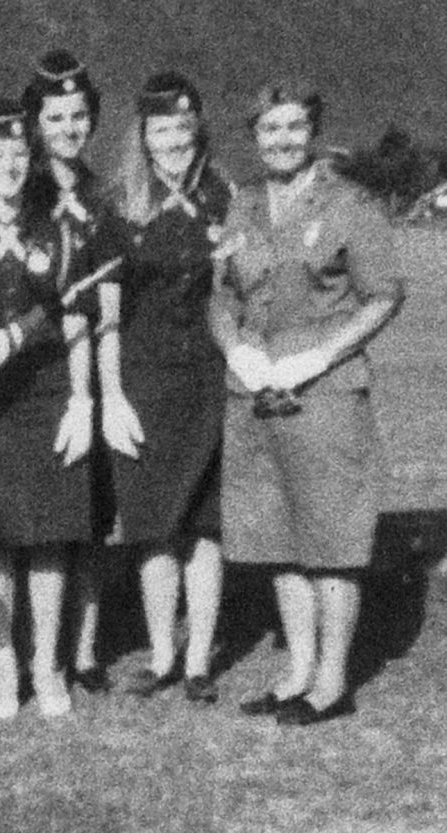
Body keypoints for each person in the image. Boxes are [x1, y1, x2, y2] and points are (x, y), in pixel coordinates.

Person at [209, 80, 404, 724]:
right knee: (275, 536)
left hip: (323, 390)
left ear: (313, 131)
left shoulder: (350, 204)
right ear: (254, 136)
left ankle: (330, 681)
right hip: (255, 388)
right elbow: (221, 297)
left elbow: (383, 295)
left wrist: (320, 357)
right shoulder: (241, 206)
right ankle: (295, 671)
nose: (283, 140)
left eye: (294, 127)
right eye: (269, 129)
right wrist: (236, 350)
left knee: (330, 536)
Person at [0, 99, 96, 718]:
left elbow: (78, 321)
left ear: (30, 159)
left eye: (17, 153)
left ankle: (48, 663)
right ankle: (4, 662)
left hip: (49, 394)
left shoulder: (57, 228)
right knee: (0, 540)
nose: (7, 165)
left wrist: (83, 399)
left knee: (51, 538)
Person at [110, 72, 232, 703]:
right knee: (155, 525)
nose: (173, 142)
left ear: (198, 130)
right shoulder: (123, 204)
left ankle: (200, 662)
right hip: (145, 381)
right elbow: (106, 311)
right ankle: (162, 655)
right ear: (144, 136)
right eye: (161, 130)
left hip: (208, 380)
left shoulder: (224, 198)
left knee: (204, 526)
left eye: (184, 129)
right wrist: (110, 393)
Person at [20, 49, 129, 695]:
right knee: (36, 526)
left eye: (79, 114)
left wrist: (104, 394)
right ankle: (37, 652)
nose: (68, 127)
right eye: (56, 115)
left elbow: (109, 300)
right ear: (35, 121)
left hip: (88, 373)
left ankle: (83, 649)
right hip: (30, 379)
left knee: (88, 519)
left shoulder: (101, 196)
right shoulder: (17, 191)